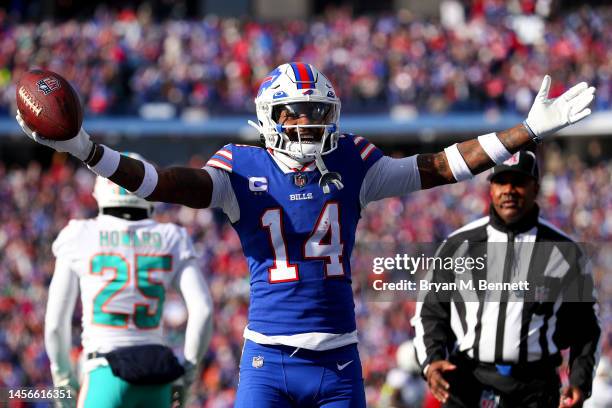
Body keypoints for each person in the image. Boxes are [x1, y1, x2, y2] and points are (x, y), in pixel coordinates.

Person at [19, 62, 595, 407]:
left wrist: (524, 132)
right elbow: (161, 182)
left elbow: (438, 166)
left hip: (339, 362)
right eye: (296, 114)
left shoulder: (352, 162)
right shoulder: (239, 168)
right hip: (267, 361)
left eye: (318, 114)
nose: (309, 125)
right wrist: (87, 151)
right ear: (271, 116)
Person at [411, 150, 601, 408]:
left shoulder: (565, 251)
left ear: (536, 188)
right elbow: (430, 310)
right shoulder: (458, 245)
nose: (509, 190)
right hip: (468, 382)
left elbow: (586, 327)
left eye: (518, 182)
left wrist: (579, 382)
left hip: (535, 387)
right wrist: (431, 362)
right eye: (502, 182)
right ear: (491, 189)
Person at [44, 160, 214, 408]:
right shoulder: (172, 236)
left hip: (104, 372)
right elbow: (204, 310)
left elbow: (55, 324)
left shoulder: (79, 234)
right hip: (158, 375)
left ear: (99, 191)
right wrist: (187, 374)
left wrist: (63, 378)